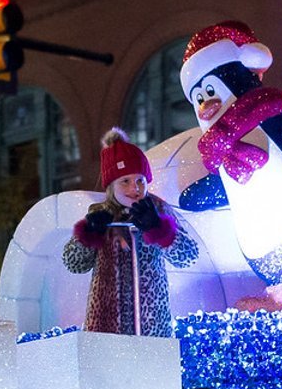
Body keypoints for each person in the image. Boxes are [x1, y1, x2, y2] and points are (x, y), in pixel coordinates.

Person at [64, 128, 199, 336]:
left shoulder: (158, 210)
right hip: (106, 323)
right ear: (111, 185)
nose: (134, 188)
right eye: (125, 181)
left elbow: (188, 257)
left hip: (151, 322)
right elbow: (74, 264)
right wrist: (88, 235)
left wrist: (160, 228)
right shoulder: (98, 213)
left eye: (140, 180)